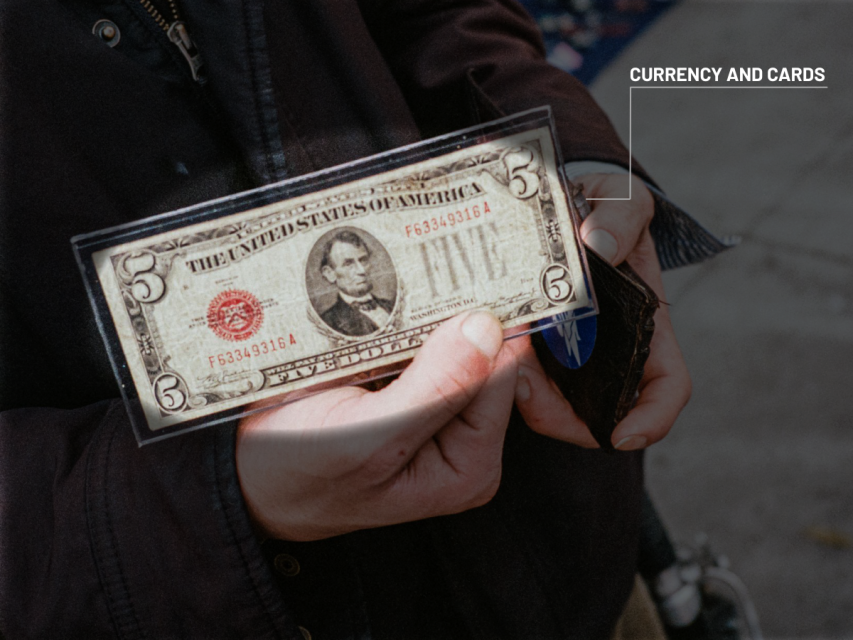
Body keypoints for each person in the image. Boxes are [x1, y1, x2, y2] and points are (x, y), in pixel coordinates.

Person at [0, 0, 726, 637]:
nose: (349, 272)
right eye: (338, 267)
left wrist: (562, 166)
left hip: (557, 550)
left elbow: (436, 17)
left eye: (355, 264)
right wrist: (213, 501)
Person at [318, 230, 396, 337]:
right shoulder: (327, 323)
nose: (361, 270)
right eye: (348, 264)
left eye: (363, 260)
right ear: (330, 274)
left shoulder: (391, 306)